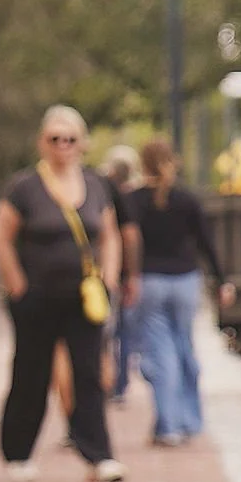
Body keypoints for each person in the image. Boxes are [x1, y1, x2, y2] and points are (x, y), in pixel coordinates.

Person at [0, 106, 126, 482]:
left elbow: (109, 233)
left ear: (81, 144)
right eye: (54, 139)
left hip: (83, 296)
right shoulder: (24, 187)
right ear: (42, 143)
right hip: (36, 296)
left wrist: (110, 277)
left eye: (69, 139)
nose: (62, 146)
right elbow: (1, 237)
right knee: (31, 372)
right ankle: (17, 451)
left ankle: (98, 454)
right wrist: (16, 282)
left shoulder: (96, 184)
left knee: (88, 372)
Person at [128, 137, 233, 446]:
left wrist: (127, 276)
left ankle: (169, 425)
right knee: (185, 348)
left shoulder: (134, 200)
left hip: (151, 281)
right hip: (186, 280)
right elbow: (206, 242)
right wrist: (221, 279)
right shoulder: (187, 199)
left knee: (161, 354)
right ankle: (191, 419)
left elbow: (128, 241)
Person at [103, 143, 143, 403]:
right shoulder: (137, 196)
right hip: (120, 272)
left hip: (110, 272)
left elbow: (128, 237)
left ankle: (112, 381)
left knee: (108, 334)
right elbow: (131, 237)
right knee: (124, 333)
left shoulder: (105, 194)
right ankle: (119, 382)